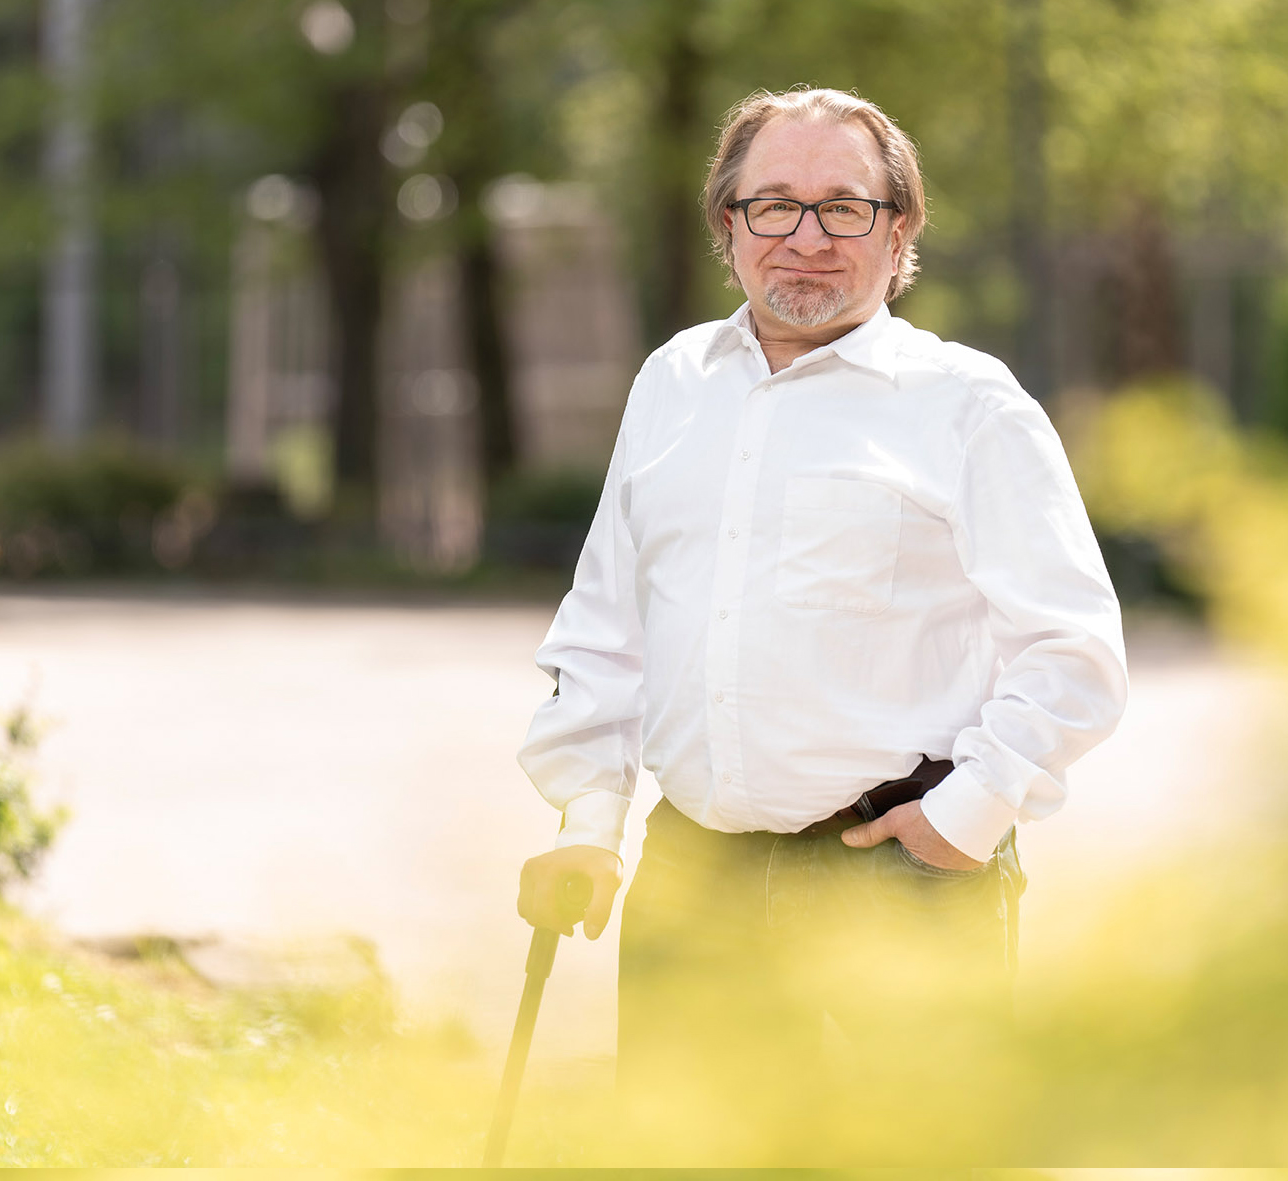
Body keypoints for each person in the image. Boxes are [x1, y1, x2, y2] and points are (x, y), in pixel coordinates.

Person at [514, 86, 1128, 1163]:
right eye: (773, 206)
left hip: (895, 877)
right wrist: (587, 822)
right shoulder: (670, 384)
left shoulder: (969, 405)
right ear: (727, 226)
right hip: (693, 880)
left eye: (843, 208)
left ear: (899, 233)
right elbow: (607, 626)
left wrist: (969, 814)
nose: (806, 238)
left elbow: (1072, 650)